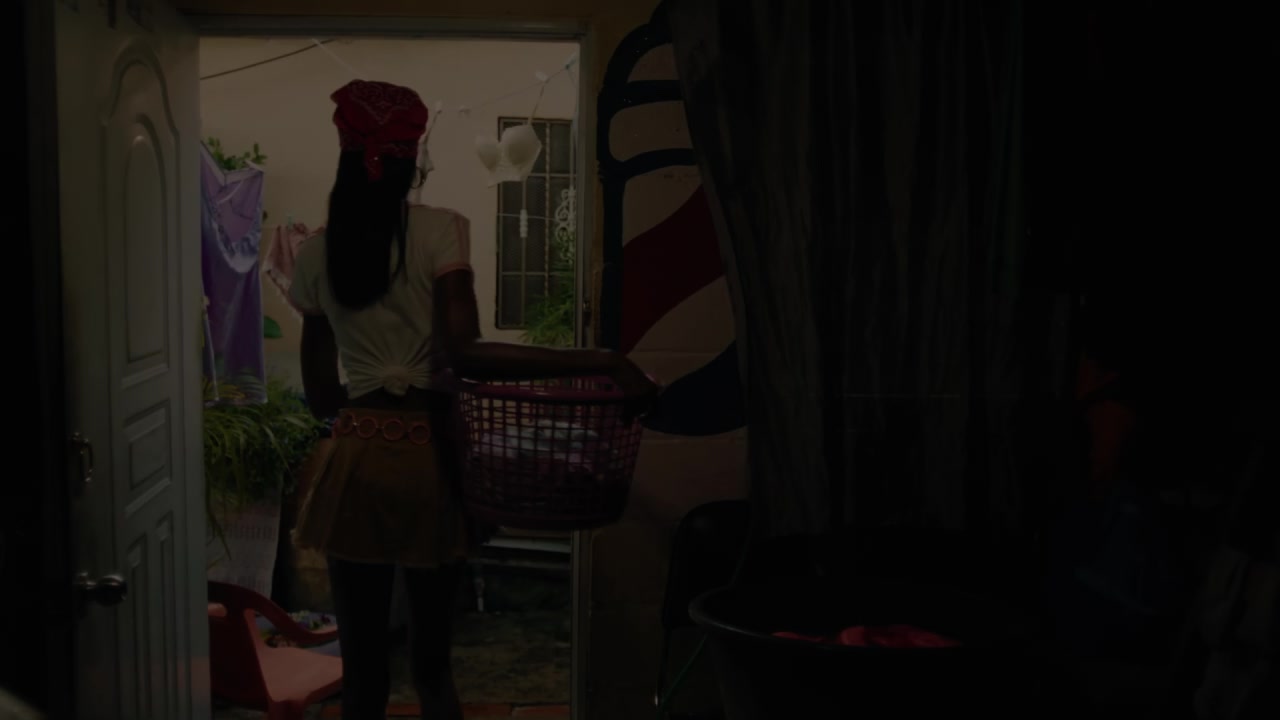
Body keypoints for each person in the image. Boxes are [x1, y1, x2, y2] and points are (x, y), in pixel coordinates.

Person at [289, 80, 658, 720]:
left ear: (347, 154)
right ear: (411, 157)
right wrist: (604, 360)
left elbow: (322, 394)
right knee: (432, 666)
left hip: (355, 465)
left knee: (363, 674)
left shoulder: (317, 251)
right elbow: (466, 352)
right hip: (431, 463)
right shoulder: (441, 231)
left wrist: (370, 405)